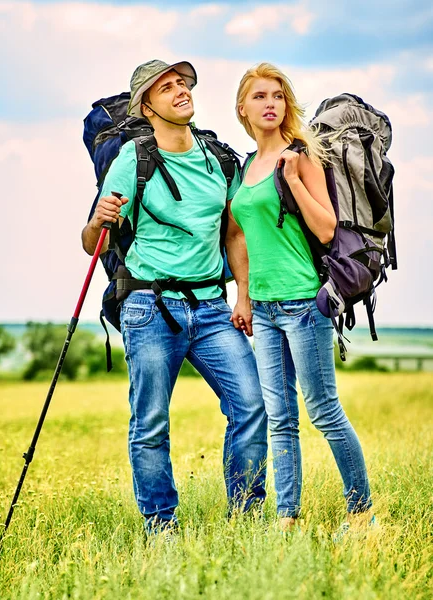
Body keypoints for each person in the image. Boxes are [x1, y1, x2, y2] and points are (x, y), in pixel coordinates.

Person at [81, 59, 267, 533]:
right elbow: (92, 243)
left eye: (182, 83)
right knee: (151, 424)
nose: (181, 90)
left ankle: (246, 518)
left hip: (210, 308)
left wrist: (242, 295)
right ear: (147, 107)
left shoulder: (217, 159)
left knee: (251, 406)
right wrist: (99, 220)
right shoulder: (133, 160)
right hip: (149, 306)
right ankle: (160, 528)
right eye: (167, 87)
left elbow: (234, 233)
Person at [230, 62, 374, 536]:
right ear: (243, 108)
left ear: (286, 104)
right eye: (259, 97)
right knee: (280, 418)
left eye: (277, 95)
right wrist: (244, 297)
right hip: (266, 310)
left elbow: (327, 227)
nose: (270, 103)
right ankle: (287, 518)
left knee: (324, 411)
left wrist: (292, 179)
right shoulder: (246, 168)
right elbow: (243, 237)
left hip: (302, 303)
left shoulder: (301, 156)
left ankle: (362, 514)